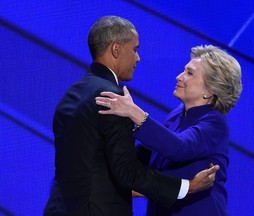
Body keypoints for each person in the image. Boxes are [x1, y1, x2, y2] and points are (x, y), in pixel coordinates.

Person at [43, 16, 220, 216]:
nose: (138, 58)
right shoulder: (113, 99)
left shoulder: (73, 94)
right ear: (116, 50)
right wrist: (187, 187)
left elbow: (96, 164)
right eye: (135, 49)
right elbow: (127, 171)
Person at [95, 45, 242, 215]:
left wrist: (133, 111)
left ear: (210, 91)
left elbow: (178, 148)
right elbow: (147, 154)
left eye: (189, 73)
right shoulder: (178, 114)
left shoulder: (215, 124)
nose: (179, 77)